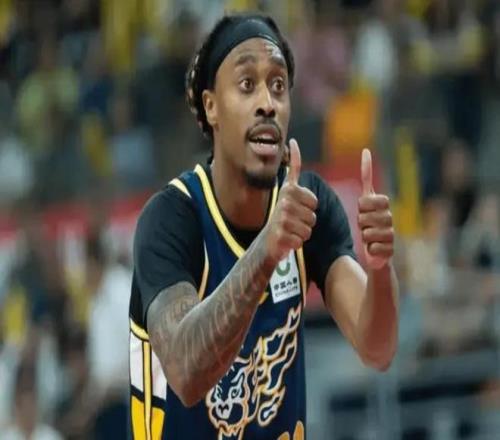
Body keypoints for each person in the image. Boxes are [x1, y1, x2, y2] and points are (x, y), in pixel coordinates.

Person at [129, 13, 399, 440]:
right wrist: (266, 250)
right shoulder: (171, 218)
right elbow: (184, 372)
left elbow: (378, 348)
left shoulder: (308, 203)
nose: (267, 103)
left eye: (278, 86)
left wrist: (381, 268)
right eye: (247, 84)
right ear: (211, 106)